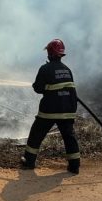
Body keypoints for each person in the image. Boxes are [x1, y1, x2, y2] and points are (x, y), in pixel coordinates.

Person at [21, 39, 80, 174]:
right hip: (67, 110)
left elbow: (38, 88)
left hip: (50, 110)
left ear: (49, 53)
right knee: (69, 137)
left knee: (36, 134)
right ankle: (74, 166)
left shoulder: (45, 68)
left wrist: (38, 86)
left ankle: (29, 161)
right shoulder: (67, 70)